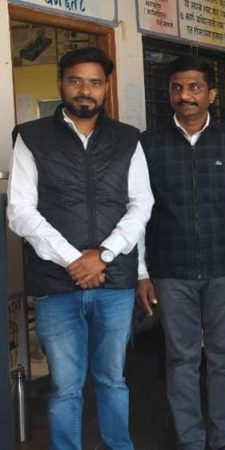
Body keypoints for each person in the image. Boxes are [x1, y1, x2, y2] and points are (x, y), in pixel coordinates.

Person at [8, 46, 154, 450]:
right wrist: (74, 259)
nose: (85, 90)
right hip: (57, 284)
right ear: (61, 84)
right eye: (76, 81)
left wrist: (103, 255)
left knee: (112, 380)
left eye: (94, 82)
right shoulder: (32, 138)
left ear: (106, 87)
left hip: (114, 282)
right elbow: (20, 212)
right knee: (65, 387)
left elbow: (141, 205)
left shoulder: (128, 139)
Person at [136, 56, 225, 450]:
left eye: (194, 87)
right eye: (177, 87)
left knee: (224, 356)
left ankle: (221, 438)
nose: (185, 95)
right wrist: (141, 271)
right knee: (181, 359)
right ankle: (190, 440)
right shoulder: (148, 144)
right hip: (171, 270)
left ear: (212, 94)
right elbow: (139, 209)